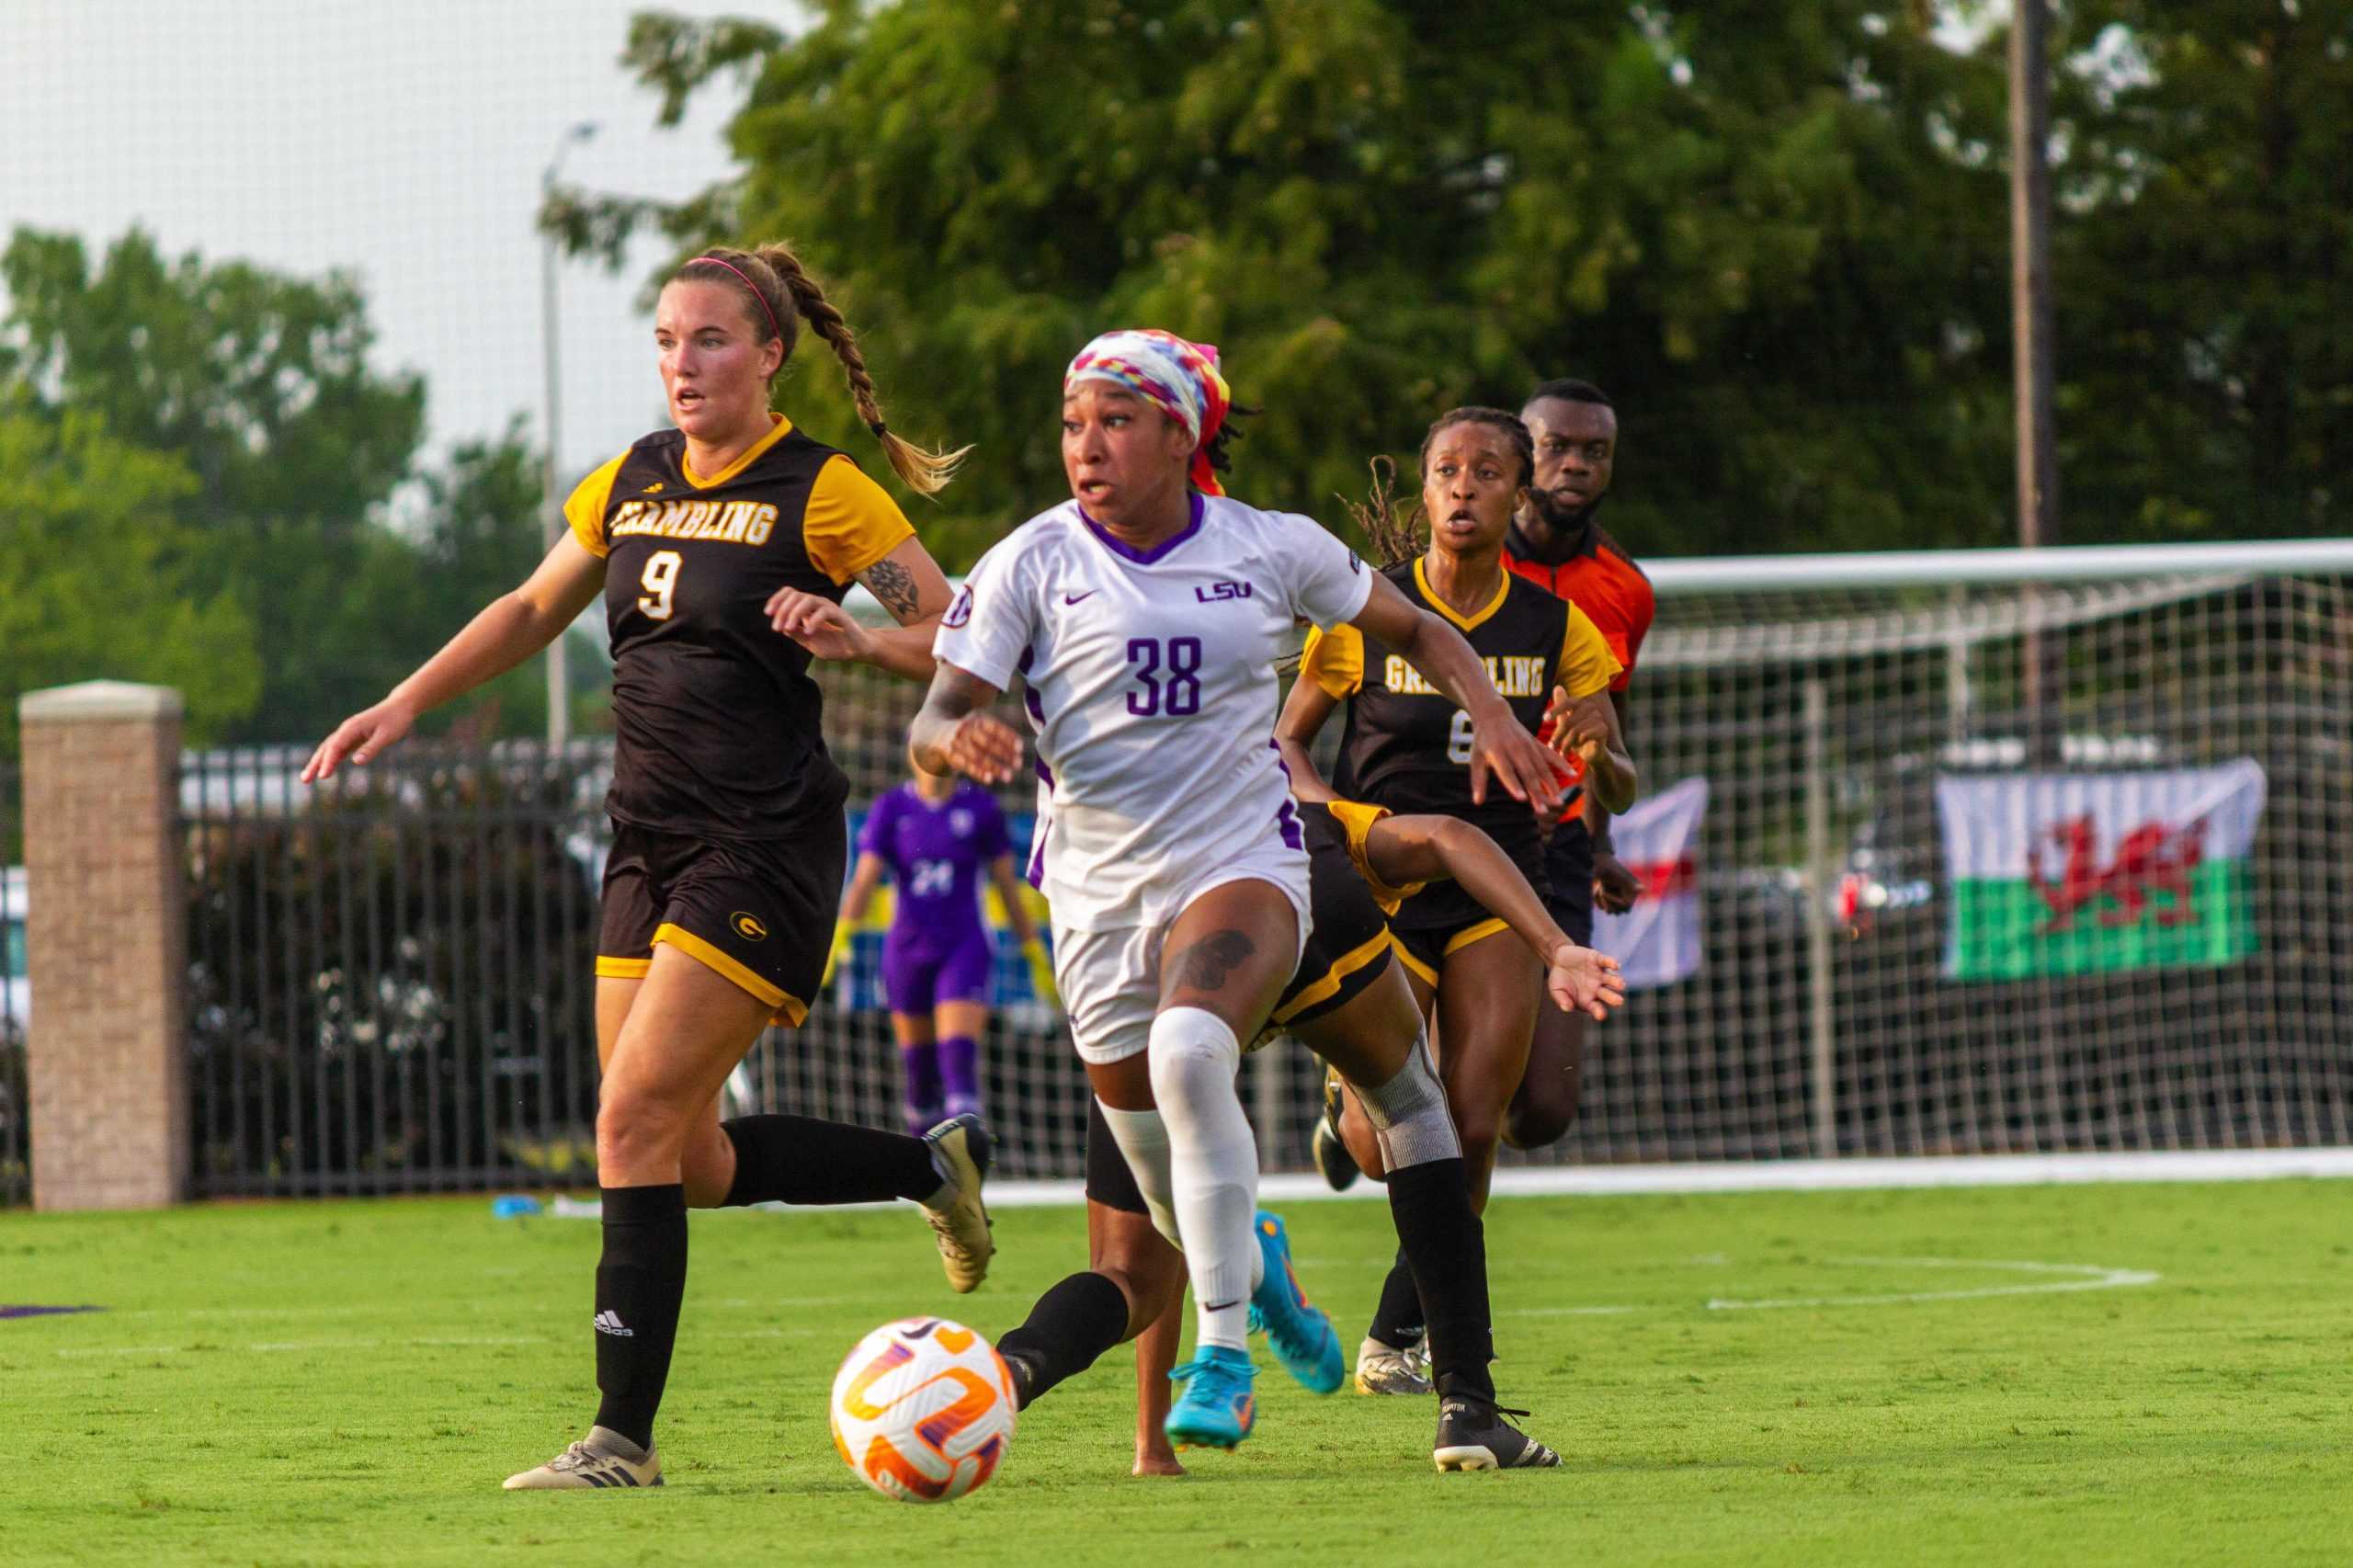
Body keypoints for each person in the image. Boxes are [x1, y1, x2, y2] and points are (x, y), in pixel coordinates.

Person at [303, 244, 995, 1493]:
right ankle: (924, 1166)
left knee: (626, 1118)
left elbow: (957, 631)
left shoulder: (823, 489)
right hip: (645, 842)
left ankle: (619, 1437)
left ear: (771, 354)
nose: (685, 362)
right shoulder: (629, 478)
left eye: (712, 340)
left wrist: (860, 632)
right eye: (669, 340)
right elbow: (527, 609)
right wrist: (399, 704)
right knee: (682, 1155)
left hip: (763, 843)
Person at [908, 329, 1572, 1457]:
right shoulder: (1030, 559)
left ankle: (1246, 1359)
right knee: (1166, 1205)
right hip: (1098, 901)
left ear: (1181, 432)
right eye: (1073, 423)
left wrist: (1497, 710)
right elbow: (933, 713)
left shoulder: (1271, 547)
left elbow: (1414, 626)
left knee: (1207, 1056)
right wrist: (950, 736)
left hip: (1247, 863)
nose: (1086, 446)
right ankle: (1257, 1271)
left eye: (1114, 421)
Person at [991, 796, 1623, 1471]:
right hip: (1296, 893)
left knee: (1133, 1262)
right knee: (1411, 1106)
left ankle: (996, 1380)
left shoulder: (1091, 828)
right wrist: (1554, 945)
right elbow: (1444, 833)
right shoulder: (1296, 808)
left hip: (1128, 937)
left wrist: (1155, 1447)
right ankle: (1465, 1404)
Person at [1274, 408, 1636, 1395]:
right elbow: (1289, 740)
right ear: (1425, 492)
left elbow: (1616, 782)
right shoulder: (1367, 612)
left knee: (1473, 1122)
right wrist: (1326, 817)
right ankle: (1338, 1109)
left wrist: (1602, 748)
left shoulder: (1557, 626)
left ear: (1517, 496)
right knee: (1379, 1141)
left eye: (1486, 472)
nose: (1465, 487)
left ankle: (1405, 1332)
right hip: (1383, 877)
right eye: (1446, 470)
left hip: (1495, 882)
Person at [1499, 379, 1655, 1150]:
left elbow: (1609, 723)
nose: (1575, 466)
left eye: (1596, 452)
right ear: (1523, 455)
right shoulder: (1465, 562)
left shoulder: (1624, 588)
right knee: (1440, 1090)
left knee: (1547, 1112)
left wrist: (1598, 845)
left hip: (1557, 847)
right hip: (1461, 836)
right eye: (1557, 447)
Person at [836, 763, 1047, 1135]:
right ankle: (930, 1178)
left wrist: (1033, 949)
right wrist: (840, 938)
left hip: (963, 946)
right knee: (920, 1075)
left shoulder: (980, 808)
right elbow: (864, 882)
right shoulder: (892, 807)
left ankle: (969, 1169)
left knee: (958, 1058)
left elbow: (1007, 888)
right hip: (906, 951)